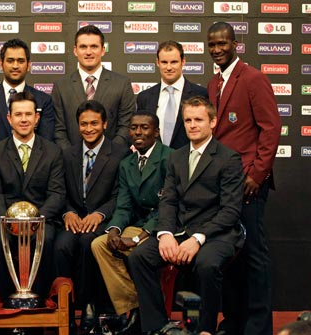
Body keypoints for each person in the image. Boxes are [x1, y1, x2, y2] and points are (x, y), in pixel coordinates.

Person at [128, 96, 244, 335]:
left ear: (212, 122)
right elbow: (168, 200)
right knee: (139, 256)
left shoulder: (228, 158)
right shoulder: (176, 157)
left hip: (217, 234)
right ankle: (159, 326)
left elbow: (230, 211)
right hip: (180, 230)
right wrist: (165, 234)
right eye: (188, 120)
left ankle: (205, 329)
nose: (192, 125)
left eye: (199, 120)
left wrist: (198, 238)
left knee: (206, 264)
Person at [206, 22, 281, 335]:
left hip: (249, 183)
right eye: (212, 45)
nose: (218, 49)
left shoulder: (252, 78)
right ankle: (235, 322)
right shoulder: (213, 84)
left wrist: (257, 175)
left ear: (235, 43)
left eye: (223, 43)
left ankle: (258, 326)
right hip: (223, 185)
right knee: (230, 257)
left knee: (253, 256)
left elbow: (271, 128)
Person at [91, 111, 172, 335]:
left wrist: (138, 237)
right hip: (137, 222)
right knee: (99, 244)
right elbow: (124, 205)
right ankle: (135, 305)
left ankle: (145, 311)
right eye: (134, 127)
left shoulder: (170, 158)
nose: (138, 132)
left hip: (162, 226)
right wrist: (115, 230)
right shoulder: (127, 163)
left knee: (136, 251)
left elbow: (169, 206)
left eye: (145, 128)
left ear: (156, 132)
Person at [0, 91, 65, 301]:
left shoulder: (53, 152)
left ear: (37, 118)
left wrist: (34, 223)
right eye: (18, 115)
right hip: (4, 221)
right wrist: (11, 224)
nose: (24, 119)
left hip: (41, 221)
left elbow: (56, 194)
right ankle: (5, 303)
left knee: (46, 242)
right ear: (9, 118)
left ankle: (37, 302)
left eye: (28, 114)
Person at [54, 100, 128, 330]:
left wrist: (100, 214)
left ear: (105, 124)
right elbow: (59, 190)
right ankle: (63, 308)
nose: (89, 128)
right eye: (83, 124)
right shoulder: (68, 154)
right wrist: (67, 212)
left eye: (94, 123)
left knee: (88, 243)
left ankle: (89, 307)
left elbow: (121, 195)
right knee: (61, 246)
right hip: (74, 219)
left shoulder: (119, 154)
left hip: (101, 220)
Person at [52, 25, 135, 150]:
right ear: (75, 50)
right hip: (71, 164)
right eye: (83, 47)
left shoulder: (122, 84)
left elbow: (126, 126)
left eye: (94, 46)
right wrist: (71, 157)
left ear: (103, 50)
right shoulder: (61, 86)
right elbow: (58, 129)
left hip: (112, 163)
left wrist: (110, 156)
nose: (88, 52)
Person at [0, 38, 54, 147]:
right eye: (10, 61)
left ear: (29, 65)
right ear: (1, 64)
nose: (15, 66)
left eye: (21, 61)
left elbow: (46, 144)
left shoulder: (43, 100)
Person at [136, 40, 208, 149]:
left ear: (183, 62)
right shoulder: (144, 97)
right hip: (155, 163)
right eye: (164, 62)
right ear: (157, 62)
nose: (169, 67)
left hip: (189, 161)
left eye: (174, 62)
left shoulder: (201, 94)